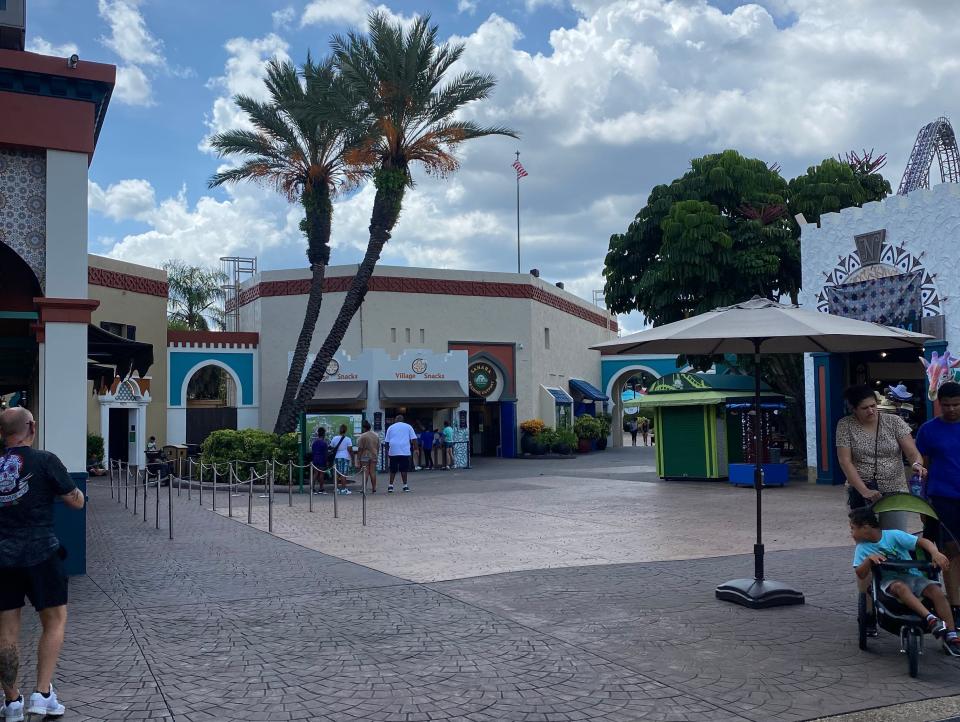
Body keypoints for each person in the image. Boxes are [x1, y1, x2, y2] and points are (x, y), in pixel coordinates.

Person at [0, 407, 86, 721]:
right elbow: (75, 502)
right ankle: (42, 693)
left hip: (3, 556)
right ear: (31, 427)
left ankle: (11, 705)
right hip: (41, 552)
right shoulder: (46, 460)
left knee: (6, 632)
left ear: (3, 432)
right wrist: (72, 491)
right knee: (54, 621)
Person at [850, 506, 960, 656]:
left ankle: (952, 636)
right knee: (900, 587)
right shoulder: (862, 549)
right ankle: (931, 619)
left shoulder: (893, 536)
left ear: (866, 527)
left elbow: (923, 542)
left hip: (913, 576)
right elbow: (860, 574)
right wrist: (869, 561)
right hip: (890, 582)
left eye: (853, 528)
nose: (851, 533)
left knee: (936, 591)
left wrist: (935, 553)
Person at [836, 384, 926, 530]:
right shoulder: (845, 425)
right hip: (862, 490)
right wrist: (864, 490)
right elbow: (845, 461)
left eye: (873, 405)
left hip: (895, 489)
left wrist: (917, 464)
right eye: (864, 408)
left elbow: (912, 452)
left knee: (895, 537)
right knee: (867, 537)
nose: (871, 411)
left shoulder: (894, 421)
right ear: (853, 409)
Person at [916, 381, 960, 617]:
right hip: (940, 499)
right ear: (939, 404)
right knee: (947, 552)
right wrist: (921, 501)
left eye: (956, 404)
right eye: (946, 405)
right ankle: (953, 606)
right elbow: (921, 466)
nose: (951, 409)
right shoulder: (928, 430)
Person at [384, 414, 418, 493]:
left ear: (396, 420)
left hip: (393, 451)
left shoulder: (391, 427)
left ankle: (390, 486)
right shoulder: (408, 426)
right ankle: (405, 486)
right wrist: (416, 449)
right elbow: (414, 439)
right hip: (404, 451)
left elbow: (386, 441)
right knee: (404, 469)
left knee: (393, 469)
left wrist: (387, 451)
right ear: (403, 420)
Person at [356, 420, 380, 493]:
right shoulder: (376, 435)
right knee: (373, 472)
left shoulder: (363, 436)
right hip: (374, 454)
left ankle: (364, 488)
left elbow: (360, 449)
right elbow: (378, 447)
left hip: (365, 455)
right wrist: (377, 454)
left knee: (365, 472)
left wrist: (358, 459)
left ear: (364, 428)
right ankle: (374, 488)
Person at [329, 424, 354, 495]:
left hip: (336, 457)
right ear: (345, 430)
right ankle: (343, 489)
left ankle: (336, 489)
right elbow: (350, 449)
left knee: (336, 474)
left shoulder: (334, 438)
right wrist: (352, 458)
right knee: (343, 474)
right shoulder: (348, 439)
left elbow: (331, 447)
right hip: (345, 457)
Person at [310, 428, 329, 495]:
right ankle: (321, 488)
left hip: (315, 459)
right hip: (322, 460)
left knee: (315, 474)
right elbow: (325, 453)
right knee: (321, 474)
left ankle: (312, 488)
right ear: (324, 434)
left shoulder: (314, 443)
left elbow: (313, 451)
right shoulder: (324, 443)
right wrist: (327, 461)